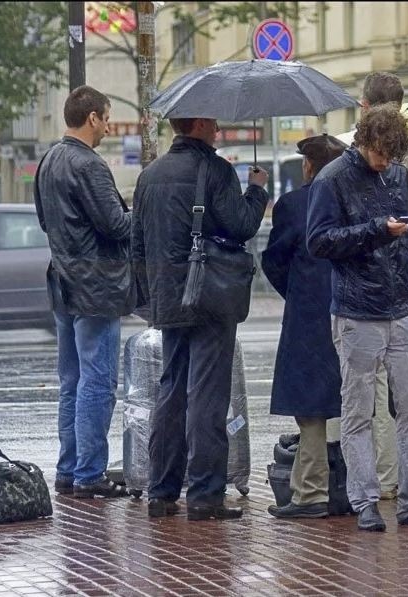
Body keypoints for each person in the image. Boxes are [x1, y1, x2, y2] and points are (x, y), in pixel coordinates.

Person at [307, 105, 408, 531]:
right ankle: (365, 502)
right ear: (365, 141)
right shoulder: (333, 178)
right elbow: (318, 242)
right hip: (358, 311)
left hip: (400, 309)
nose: (386, 163)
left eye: (393, 156)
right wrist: (375, 229)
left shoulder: (399, 173)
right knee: (358, 411)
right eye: (381, 154)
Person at [131, 116, 268, 521]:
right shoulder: (217, 169)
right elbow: (241, 226)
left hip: (169, 298)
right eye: (214, 124)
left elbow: (137, 242)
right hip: (210, 296)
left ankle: (161, 490)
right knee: (208, 394)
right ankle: (206, 494)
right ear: (200, 125)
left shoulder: (150, 175)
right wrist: (256, 192)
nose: (220, 130)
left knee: (171, 390)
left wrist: (150, 296)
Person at [334, 71, 408, 501]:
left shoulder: (350, 155)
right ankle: (406, 484)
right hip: (407, 290)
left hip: (365, 294)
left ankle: (382, 482)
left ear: (365, 107)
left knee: (369, 396)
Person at [34, 85, 135, 499]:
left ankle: (68, 467)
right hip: (96, 286)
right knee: (97, 381)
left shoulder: (49, 160)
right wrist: (138, 215)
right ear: (92, 117)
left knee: (71, 381)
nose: (109, 125)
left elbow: (44, 221)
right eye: (106, 117)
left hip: (63, 281)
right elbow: (116, 226)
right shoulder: (89, 165)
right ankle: (90, 474)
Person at [261, 134, 348, 519]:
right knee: (358, 403)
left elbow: (274, 260)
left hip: (309, 314)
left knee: (310, 408)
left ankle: (310, 492)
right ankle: (360, 487)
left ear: (308, 166)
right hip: (353, 308)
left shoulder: (294, 205)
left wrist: (296, 291)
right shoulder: (352, 199)